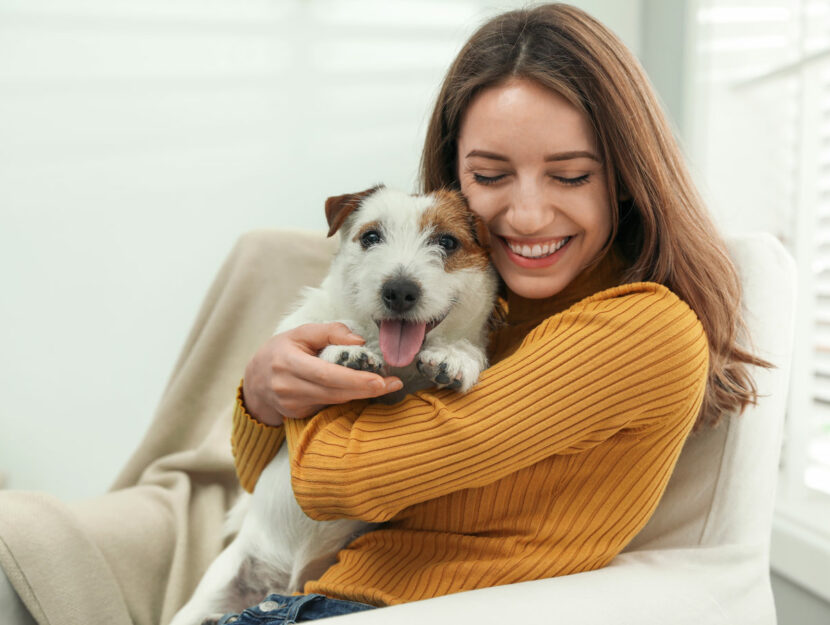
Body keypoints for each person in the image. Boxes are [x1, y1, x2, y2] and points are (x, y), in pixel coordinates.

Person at [0, 4, 767, 625]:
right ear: (453, 176)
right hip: (310, 587)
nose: (527, 214)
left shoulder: (639, 329)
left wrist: (283, 393)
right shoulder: (486, 298)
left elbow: (344, 479)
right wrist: (260, 393)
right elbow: (259, 472)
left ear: (628, 179)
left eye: (569, 174)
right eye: (490, 174)